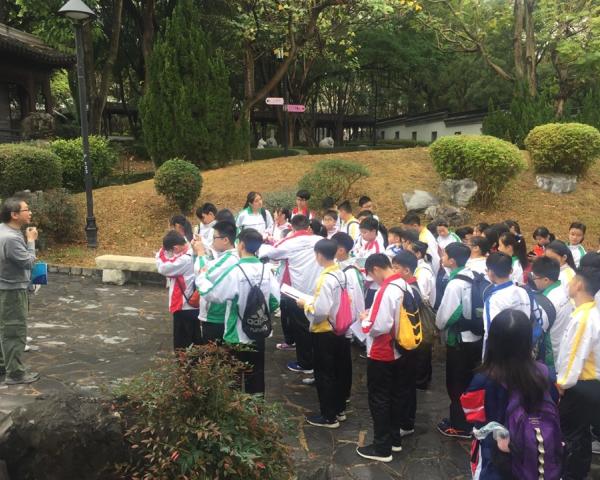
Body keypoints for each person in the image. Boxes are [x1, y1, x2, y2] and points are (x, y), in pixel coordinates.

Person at [461, 309, 560, 480]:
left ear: (493, 341)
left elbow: (472, 417)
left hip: (497, 460)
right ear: (528, 341)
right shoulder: (546, 374)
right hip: (538, 455)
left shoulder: (483, 380)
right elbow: (554, 402)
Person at [198, 228, 280, 395]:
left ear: (241, 245)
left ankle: (235, 409)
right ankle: (255, 409)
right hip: (259, 332)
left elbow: (213, 294)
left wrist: (201, 278)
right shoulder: (266, 270)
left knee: (233, 378)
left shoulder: (236, 271)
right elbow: (274, 301)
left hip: (237, 335)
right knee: (256, 377)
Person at [299, 239, 357, 428]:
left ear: (319, 255)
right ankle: (339, 410)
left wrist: (306, 305)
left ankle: (328, 416)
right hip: (340, 328)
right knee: (338, 371)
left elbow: (321, 311)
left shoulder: (324, 279)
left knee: (324, 374)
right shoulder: (341, 273)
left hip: (325, 331)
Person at [356, 254, 407, 463]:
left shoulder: (385, 290)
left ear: (376, 269)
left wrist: (364, 319)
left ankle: (381, 448)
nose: (373, 279)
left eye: (371, 274)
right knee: (394, 396)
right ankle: (394, 440)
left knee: (379, 399)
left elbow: (379, 326)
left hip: (382, 351)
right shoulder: (403, 283)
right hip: (399, 349)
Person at [258, 214, 323, 375]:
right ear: (308, 227)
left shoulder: (289, 242)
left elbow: (270, 253)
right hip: (319, 289)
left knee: (301, 328)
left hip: (297, 292)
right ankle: (317, 360)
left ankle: (306, 363)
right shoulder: (320, 240)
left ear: (292, 227)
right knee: (317, 326)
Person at [435, 242, 483, 438]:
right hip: (475, 336)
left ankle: (459, 425)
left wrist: (438, 326)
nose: (442, 258)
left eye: (445, 255)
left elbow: (447, 315)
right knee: (469, 381)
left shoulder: (455, 284)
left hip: (459, 341)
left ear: (452, 261)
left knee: (456, 384)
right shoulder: (474, 275)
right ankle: (471, 419)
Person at [556, 266, 600, 479]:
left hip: (581, 384)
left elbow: (574, 354)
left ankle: (570, 473)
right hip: (587, 384)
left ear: (579, 285)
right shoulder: (589, 312)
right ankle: (579, 471)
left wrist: (562, 383)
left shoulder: (584, 317)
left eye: (572, 280)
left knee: (570, 433)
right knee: (580, 433)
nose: (569, 284)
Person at [0, 197, 39, 385]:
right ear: (14, 215)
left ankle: (4, 365)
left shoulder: (3, 230)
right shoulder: (10, 238)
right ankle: (15, 373)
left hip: (4, 287)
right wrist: (31, 241)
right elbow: (28, 262)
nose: (30, 212)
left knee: (5, 329)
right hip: (12, 290)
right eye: (26, 209)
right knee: (15, 331)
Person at [391, 250, 422, 434]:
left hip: (407, 344)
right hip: (411, 343)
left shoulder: (409, 290)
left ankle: (405, 423)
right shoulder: (408, 287)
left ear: (407, 270)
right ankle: (406, 421)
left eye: (396, 268)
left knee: (405, 385)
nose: (392, 271)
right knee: (406, 384)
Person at [192, 221, 239, 343]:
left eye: (214, 238)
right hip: (221, 314)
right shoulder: (230, 256)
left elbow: (203, 273)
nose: (212, 242)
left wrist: (200, 253)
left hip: (216, 315)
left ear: (225, 240)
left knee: (213, 351)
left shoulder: (229, 259)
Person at [156, 231, 201, 350]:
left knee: (182, 345)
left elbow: (163, 267)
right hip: (194, 304)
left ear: (175, 248)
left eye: (171, 251)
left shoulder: (185, 260)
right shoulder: (191, 251)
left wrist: (161, 251)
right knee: (195, 341)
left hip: (184, 307)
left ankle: (186, 362)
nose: (170, 254)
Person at [483, 252, 530, 357]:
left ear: (490, 272)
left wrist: (486, 359)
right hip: (522, 348)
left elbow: (490, 332)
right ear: (511, 270)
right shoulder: (523, 292)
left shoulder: (493, 299)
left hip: (501, 355)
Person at [530, 256, 574, 364]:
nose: (533, 281)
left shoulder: (545, 302)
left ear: (546, 280)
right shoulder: (564, 289)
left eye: (534, 278)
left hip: (551, 354)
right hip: (566, 347)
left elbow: (536, 334)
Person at [401, 212, 440, 276]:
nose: (406, 231)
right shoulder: (422, 234)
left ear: (415, 225)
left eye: (407, 229)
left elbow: (435, 259)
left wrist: (436, 276)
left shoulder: (425, 238)